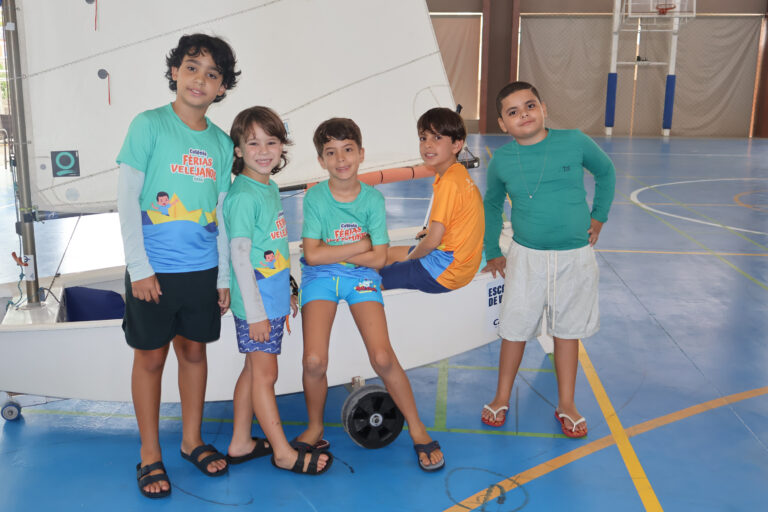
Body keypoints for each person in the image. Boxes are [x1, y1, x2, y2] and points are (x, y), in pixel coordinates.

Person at [117, 33, 239, 498]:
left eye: (212, 74)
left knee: (193, 353)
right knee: (150, 358)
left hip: (202, 272)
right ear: (174, 72)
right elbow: (127, 201)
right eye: (192, 67)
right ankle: (150, 454)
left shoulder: (222, 144)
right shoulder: (148, 125)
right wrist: (139, 267)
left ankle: (191, 441)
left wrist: (223, 275)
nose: (199, 80)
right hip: (153, 270)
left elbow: (222, 214)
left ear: (222, 87)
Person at [295, 118, 445, 471]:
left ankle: (418, 430)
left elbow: (378, 260)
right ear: (321, 160)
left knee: (382, 357)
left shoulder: (372, 199)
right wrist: (360, 244)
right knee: (313, 361)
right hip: (320, 278)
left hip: (361, 276)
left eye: (348, 150)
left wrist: (336, 251)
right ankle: (315, 426)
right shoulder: (315, 197)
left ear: (361, 154)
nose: (341, 159)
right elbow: (312, 257)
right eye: (331, 152)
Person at [480, 81, 615, 438]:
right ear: (502, 124)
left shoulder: (574, 141)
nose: (523, 114)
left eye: (530, 106)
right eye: (513, 112)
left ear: (544, 108)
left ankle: (566, 402)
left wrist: (599, 216)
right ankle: (501, 396)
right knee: (515, 328)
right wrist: (492, 251)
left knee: (567, 332)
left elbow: (606, 172)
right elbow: (491, 204)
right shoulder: (502, 160)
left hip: (575, 257)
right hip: (526, 258)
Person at [223, 106, 332, 475]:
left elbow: (270, 248)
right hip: (257, 308)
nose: (263, 150)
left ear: (282, 146)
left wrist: (286, 287)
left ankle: (240, 442)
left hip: (270, 299)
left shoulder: (267, 186)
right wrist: (256, 315)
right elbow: (240, 258)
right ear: (238, 149)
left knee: (253, 371)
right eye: (253, 143)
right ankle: (284, 453)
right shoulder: (244, 196)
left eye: (271, 142)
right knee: (265, 376)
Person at [379, 107, 484, 293]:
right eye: (423, 138)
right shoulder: (456, 173)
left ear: (456, 145)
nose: (427, 144)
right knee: (386, 255)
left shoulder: (449, 182)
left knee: (372, 280)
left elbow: (433, 241)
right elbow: (457, 220)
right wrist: (430, 232)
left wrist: (410, 260)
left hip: (446, 271)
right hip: (461, 263)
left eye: (437, 137)